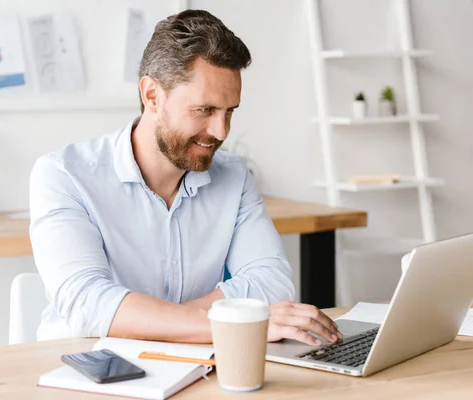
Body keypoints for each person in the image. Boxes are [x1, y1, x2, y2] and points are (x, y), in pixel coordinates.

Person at [29, 10, 341, 346]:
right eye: (204, 110)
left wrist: (168, 324)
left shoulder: (234, 176)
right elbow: (88, 302)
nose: (220, 131)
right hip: (86, 371)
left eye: (229, 111)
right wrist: (233, 323)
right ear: (152, 96)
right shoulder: (65, 176)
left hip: (194, 366)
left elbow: (271, 281)